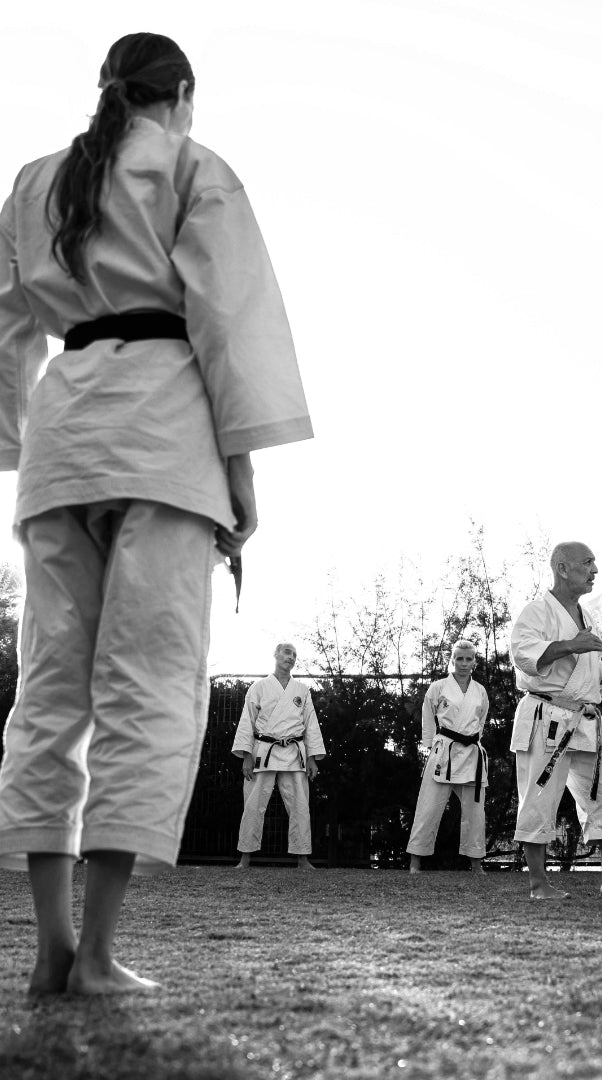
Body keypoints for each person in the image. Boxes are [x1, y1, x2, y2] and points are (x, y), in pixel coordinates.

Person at [0, 33, 312, 994]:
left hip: (65, 435)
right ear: (180, 93)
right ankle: (94, 955)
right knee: (144, 685)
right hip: (166, 439)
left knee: (50, 689)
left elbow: (10, 324)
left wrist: (15, 440)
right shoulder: (190, 166)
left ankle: (51, 952)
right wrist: (243, 470)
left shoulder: (36, 181)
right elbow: (227, 319)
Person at [509, 541, 602, 900]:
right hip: (546, 716)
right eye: (587, 563)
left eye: (595, 563)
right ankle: (539, 885)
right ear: (563, 568)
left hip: (585, 719)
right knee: (539, 798)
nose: (595, 570)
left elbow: (585, 670)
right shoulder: (536, 612)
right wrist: (572, 644)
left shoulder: (586, 616)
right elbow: (524, 657)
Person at [232, 643, 326, 870]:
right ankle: (245, 857)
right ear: (275, 655)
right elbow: (247, 722)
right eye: (286, 653)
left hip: (294, 752)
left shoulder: (302, 690)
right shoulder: (259, 687)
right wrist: (246, 755)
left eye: (294, 655)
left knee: (300, 805)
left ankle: (302, 858)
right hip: (263, 750)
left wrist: (312, 757)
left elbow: (310, 724)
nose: (291, 657)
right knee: (253, 804)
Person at [406, 640, 490, 874]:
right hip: (443, 751)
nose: (464, 663)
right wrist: (431, 745)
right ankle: (415, 861)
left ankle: (475, 863)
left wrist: (473, 741)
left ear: (474, 661)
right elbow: (427, 716)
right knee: (428, 807)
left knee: (475, 812)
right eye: (459, 658)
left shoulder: (480, 691)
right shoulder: (438, 687)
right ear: (452, 660)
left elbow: (480, 722)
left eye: (468, 658)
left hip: (471, 753)